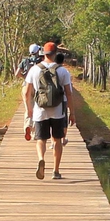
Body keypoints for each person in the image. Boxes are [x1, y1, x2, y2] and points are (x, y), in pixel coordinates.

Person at [21, 41, 76, 180]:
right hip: (58, 110)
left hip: (40, 110)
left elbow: (27, 92)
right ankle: (56, 171)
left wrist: (29, 109)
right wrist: (72, 113)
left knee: (41, 139)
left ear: (43, 53)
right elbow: (69, 94)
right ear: (56, 53)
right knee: (57, 140)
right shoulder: (63, 71)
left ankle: (41, 158)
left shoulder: (34, 69)